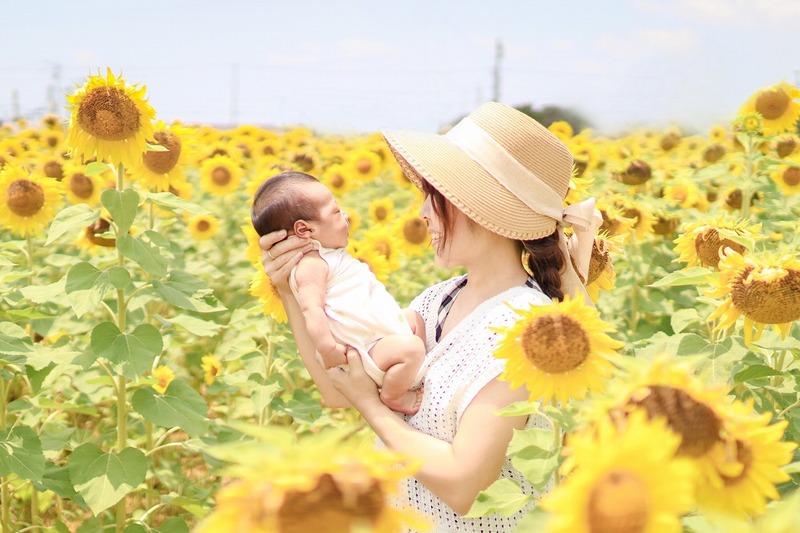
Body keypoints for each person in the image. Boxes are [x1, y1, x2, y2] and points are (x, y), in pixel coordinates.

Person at [259, 102, 601, 532]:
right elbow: (338, 386)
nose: (421, 212)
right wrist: (294, 291)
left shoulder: (528, 331)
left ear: (483, 210)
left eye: (435, 197)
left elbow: (465, 485)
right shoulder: (436, 301)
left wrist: (372, 407)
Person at [251, 171, 426, 414]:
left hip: (380, 335)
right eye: (335, 212)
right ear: (304, 230)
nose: (345, 215)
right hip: (368, 348)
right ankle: (393, 395)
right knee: (413, 349)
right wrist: (327, 348)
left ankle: (411, 371)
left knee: (417, 319)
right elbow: (312, 309)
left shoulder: (330, 256)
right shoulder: (311, 266)